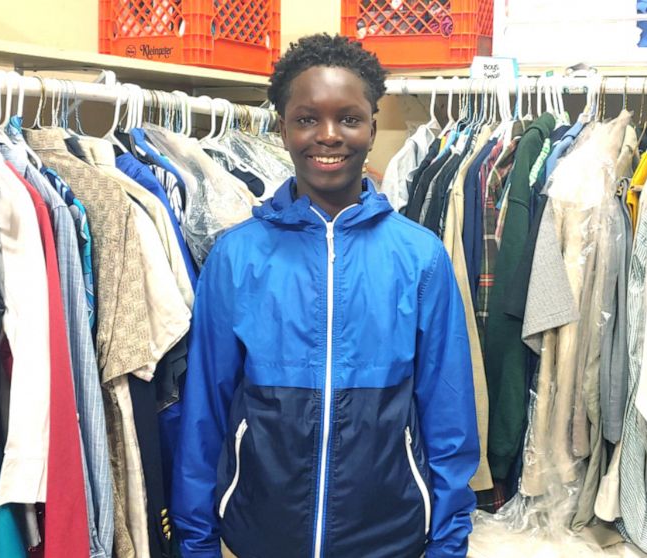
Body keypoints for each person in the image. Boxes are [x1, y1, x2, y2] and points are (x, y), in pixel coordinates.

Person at [172, 33, 479, 558]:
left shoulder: (420, 257)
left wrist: (447, 543)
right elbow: (204, 410)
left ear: (373, 127)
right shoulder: (236, 257)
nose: (329, 136)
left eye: (349, 118)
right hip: (261, 534)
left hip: (391, 534)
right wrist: (196, 540)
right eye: (308, 118)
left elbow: (448, 412)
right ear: (284, 129)